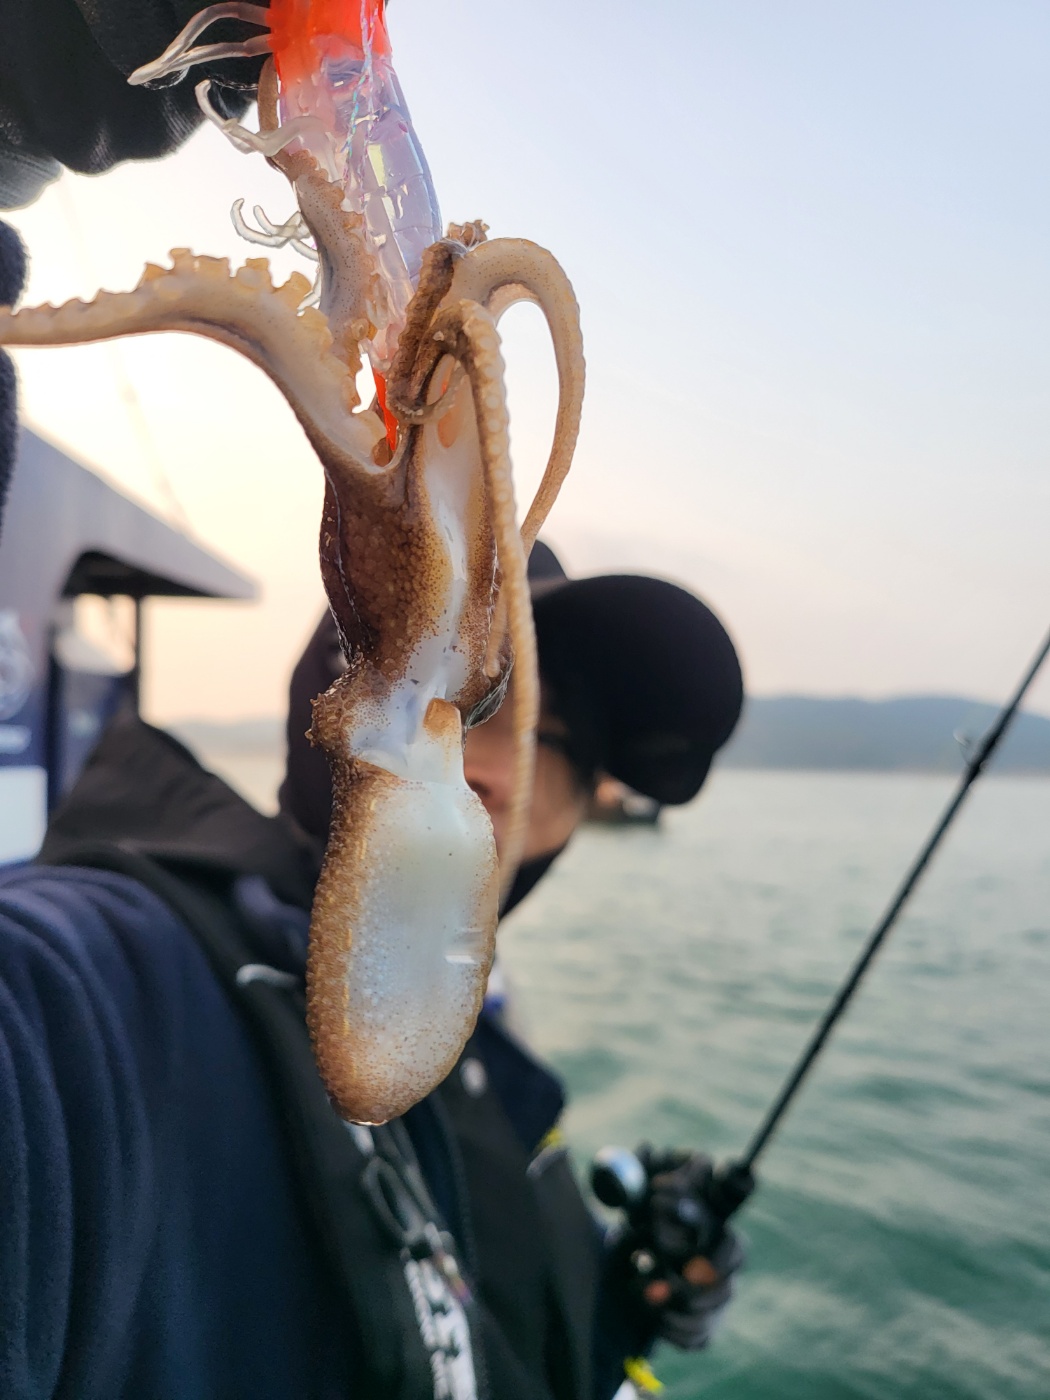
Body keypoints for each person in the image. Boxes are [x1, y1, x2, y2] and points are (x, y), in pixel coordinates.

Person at [0, 13, 747, 1395]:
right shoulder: (113, 996)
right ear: (330, 690)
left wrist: (626, 1298)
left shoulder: (496, 1077)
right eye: (474, 700)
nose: (504, 761)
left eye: (560, 748)